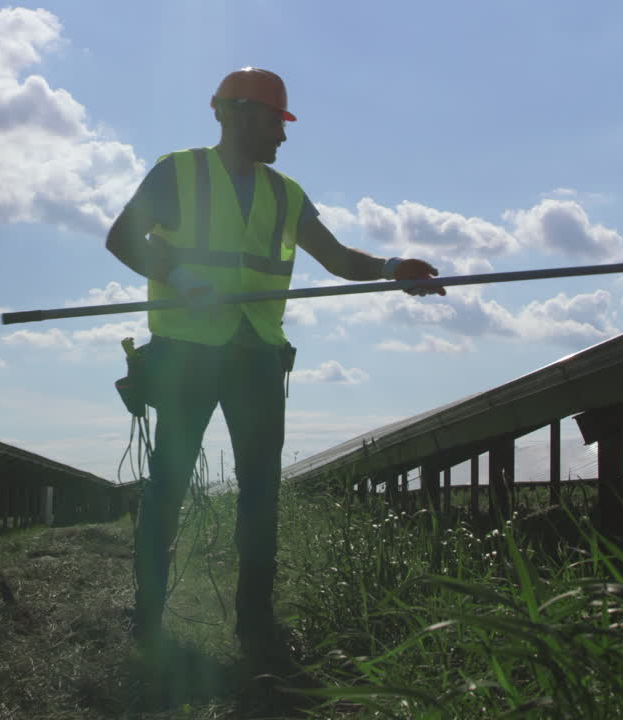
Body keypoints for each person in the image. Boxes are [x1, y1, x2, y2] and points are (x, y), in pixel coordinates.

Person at [104, 67, 444, 665]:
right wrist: (180, 278)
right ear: (235, 115)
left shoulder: (286, 193)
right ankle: (148, 621)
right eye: (273, 122)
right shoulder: (177, 172)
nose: (283, 137)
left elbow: (337, 258)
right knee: (169, 489)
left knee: (261, 494)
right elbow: (122, 238)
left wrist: (393, 268)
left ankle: (255, 626)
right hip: (187, 354)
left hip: (257, 355)